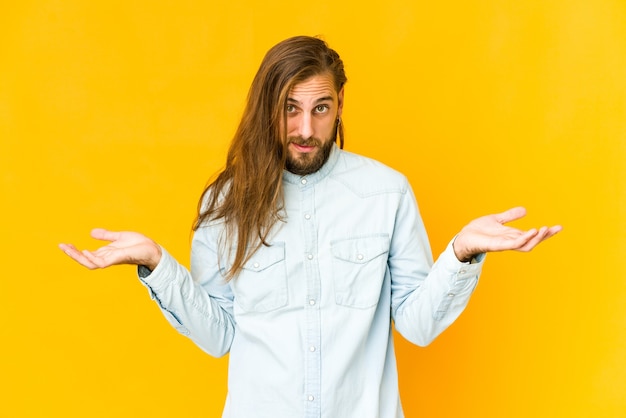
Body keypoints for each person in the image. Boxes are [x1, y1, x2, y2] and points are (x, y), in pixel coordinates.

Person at [59, 36, 561, 418]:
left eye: (320, 109)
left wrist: (461, 254)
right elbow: (219, 335)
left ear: (340, 103)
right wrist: (155, 263)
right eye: (290, 109)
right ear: (268, 109)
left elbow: (417, 325)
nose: (305, 129)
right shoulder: (226, 202)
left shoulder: (387, 193)